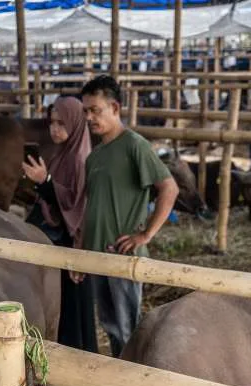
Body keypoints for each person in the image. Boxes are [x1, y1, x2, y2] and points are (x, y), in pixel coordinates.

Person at [79, 75, 178, 357]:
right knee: (110, 324)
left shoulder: (135, 145)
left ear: (115, 108)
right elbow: (92, 205)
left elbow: (169, 187)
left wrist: (146, 234)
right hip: (99, 253)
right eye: (86, 111)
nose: (89, 117)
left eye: (95, 110)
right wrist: (82, 249)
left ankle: (132, 381)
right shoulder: (94, 157)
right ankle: (119, 376)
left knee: (127, 327)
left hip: (124, 254)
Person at [21, 96, 97, 353]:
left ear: (75, 124)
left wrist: (45, 182)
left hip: (71, 244)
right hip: (60, 240)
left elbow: (76, 206)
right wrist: (43, 183)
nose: (55, 129)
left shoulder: (79, 159)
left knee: (71, 311)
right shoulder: (63, 154)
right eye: (52, 122)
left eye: (62, 123)